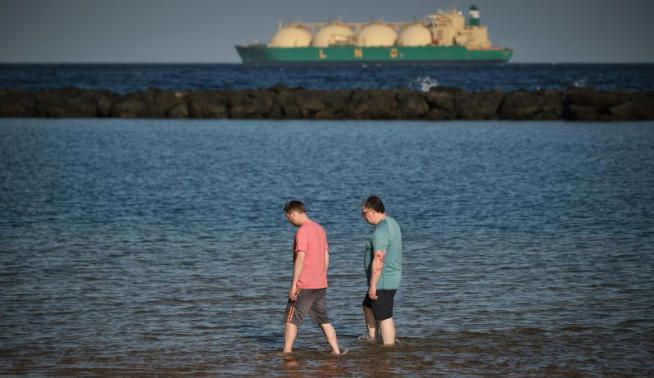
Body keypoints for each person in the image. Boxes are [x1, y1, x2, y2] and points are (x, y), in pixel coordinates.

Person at [283, 200, 341, 355]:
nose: (289, 221)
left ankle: (287, 352)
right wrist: (322, 275)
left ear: (293, 213)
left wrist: (294, 283)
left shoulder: (302, 231)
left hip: (305, 283)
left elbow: (301, 257)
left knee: (291, 318)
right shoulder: (320, 229)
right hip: (320, 283)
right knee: (323, 319)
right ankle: (336, 350)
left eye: (288, 217)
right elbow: (326, 256)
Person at [361, 195, 402, 345]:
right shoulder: (392, 223)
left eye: (364, 213)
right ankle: (372, 339)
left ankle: (388, 349)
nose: (363, 217)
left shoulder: (381, 231)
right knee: (367, 306)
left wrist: (373, 285)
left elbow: (379, 258)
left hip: (382, 281)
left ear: (372, 211)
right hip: (386, 279)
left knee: (384, 317)